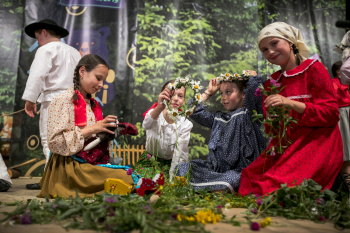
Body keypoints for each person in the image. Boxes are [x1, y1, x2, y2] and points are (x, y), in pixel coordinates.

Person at [238, 22, 343, 196]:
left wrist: (289, 103)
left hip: (317, 142)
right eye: (264, 49)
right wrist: (271, 120)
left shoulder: (313, 69)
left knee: (275, 187)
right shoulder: (272, 82)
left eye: (274, 44)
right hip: (287, 145)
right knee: (250, 178)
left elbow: (331, 114)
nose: (270, 52)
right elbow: (273, 132)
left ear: (290, 42)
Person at [37, 54, 134, 198]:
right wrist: (94, 128)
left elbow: (92, 140)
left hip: (86, 164)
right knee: (127, 179)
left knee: (129, 175)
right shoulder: (63, 100)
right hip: (69, 168)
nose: (101, 84)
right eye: (98, 78)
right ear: (82, 72)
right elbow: (55, 143)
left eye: (103, 80)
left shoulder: (92, 104)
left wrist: (107, 131)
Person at [176, 72, 266, 193]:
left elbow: (257, 91)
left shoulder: (250, 114)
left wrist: (252, 77)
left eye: (228, 92)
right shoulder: (217, 118)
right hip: (215, 171)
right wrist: (209, 92)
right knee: (182, 168)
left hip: (239, 171)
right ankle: (213, 188)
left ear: (243, 94)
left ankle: (208, 189)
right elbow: (193, 110)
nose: (223, 97)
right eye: (221, 93)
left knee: (235, 179)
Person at [22, 19, 81, 190]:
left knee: (50, 140)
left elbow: (37, 75)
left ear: (44, 32)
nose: (37, 40)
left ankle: (51, 180)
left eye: (37, 36)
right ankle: (65, 179)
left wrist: (30, 99)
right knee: (69, 140)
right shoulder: (74, 51)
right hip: (73, 100)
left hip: (53, 100)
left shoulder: (45, 49)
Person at [134, 81, 193, 180]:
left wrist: (172, 178)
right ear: (162, 95)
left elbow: (180, 155)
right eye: (171, 94)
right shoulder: (155, 114)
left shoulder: (185, 124)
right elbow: (146, 125)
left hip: (169, 166)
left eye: (180, 96)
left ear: (183, 100)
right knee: (143, 185)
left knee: (164, 189)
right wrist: (159, 107)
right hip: (149, 163)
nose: (175, 99)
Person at [332, 61, 350, 189]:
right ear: (339, 71)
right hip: (342, 115)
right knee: (346, 151)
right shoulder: (334, 83)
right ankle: (348, 184)